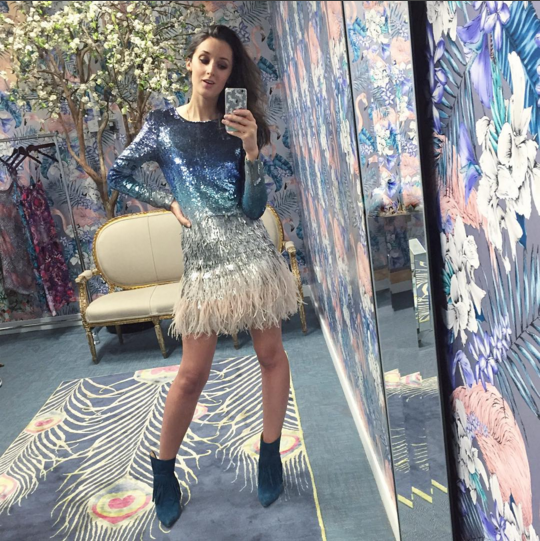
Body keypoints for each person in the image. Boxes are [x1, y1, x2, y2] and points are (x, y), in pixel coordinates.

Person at [107, 24, 299, 528]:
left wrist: (252, 151)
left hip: (252, 255)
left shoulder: (238, 126)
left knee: (271, 355)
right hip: (203, 263)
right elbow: (118, 174)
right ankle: (163, 472)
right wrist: (166, 201)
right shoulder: (162, 125)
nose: (212, 70)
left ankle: (270, 453)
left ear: (231, 75)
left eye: (223, 65)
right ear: (190, 62)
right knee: (192, 375)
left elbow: (253, 209)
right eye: (205, 59)